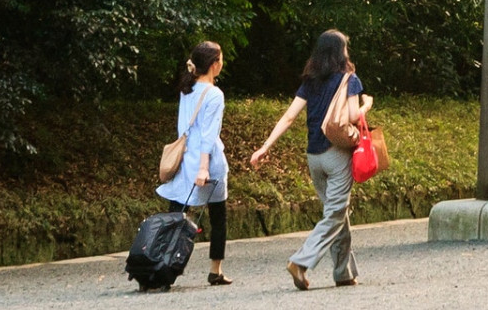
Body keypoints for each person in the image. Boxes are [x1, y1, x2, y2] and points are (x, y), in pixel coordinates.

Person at [249, 28, 372, 288]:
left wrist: (265, 147)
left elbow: (289, 116)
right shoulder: (350, 80)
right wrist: (366, 106)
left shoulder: (310, 81)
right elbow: (351, 116)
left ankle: (344, 273)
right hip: (336, 154)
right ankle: (301, 261)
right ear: (341, 52)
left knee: (336, 213)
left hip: (314, 157)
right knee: (335, 214)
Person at [156, 40, 231, 286]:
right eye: (220, 59)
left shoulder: (186, 89)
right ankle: (215, 270)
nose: (222, 63)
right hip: (207, 162)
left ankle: (160, 264)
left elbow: (185, 128)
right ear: (213, 64)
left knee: (175, 214)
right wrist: (203, 167)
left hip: (186, 159)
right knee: (218, 216)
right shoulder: (214, 94)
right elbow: (208, 136)